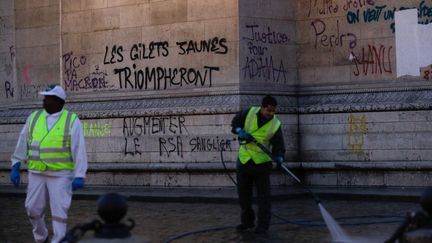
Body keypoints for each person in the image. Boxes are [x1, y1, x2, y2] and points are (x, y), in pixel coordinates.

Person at [10, 84, 88, 243]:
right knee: (32, 208)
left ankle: (58, 240)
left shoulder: (71, 121)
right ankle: (41, 237)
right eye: (44, 97)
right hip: (36, 173)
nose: (44, 101)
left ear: (59, 102)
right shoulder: (33, 118)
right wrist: (16, 164)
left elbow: (79, 149)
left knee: (59, 213)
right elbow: (23, 142)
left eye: (48, 98)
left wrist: (79, 175)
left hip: (61, 175)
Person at [231, 95, 285, 235]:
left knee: (263, 198)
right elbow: (235, 123)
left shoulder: (275, 125)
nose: (271, 114)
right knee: (244, 196)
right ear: (262, 107)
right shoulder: (248, 112)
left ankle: (263, 225)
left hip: (261, 164)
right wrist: (240, 132)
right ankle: (247, 222)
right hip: (244, 161)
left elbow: (279, 144)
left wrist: (279, 156)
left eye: (273, 111)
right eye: (269, 111)